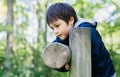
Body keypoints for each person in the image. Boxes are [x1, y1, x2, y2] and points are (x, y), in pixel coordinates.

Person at [46, 2, 116, 77]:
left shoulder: (89, 32)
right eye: (52, 28)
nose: (55, 31)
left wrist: (71, 63)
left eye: (57, 26)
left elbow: (94, 55)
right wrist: (64, 66)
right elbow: (52, 55)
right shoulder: (62, 36)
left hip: (105, 74)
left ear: (71, 20)